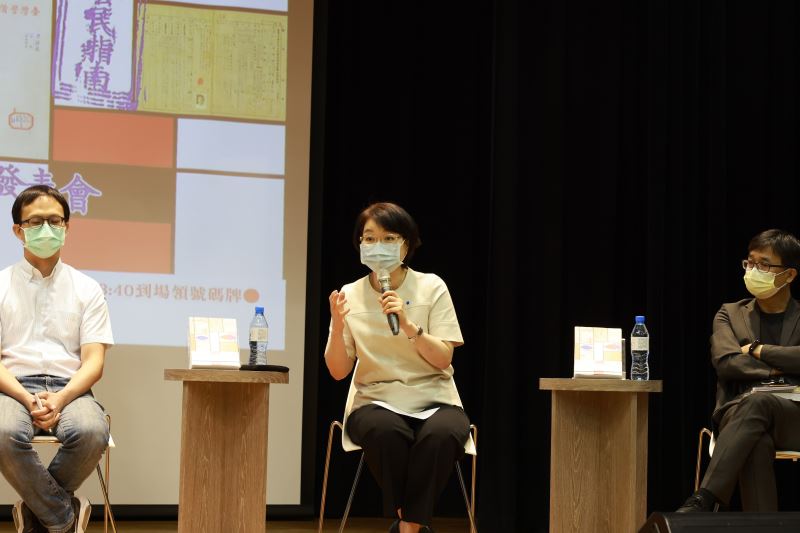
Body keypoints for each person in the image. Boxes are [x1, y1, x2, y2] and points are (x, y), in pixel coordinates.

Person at [325, 202, 471, 533]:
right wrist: (337, 326)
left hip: (435, 397)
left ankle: (406, 526)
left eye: (388, 238)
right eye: (369, 238)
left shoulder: (432, 286)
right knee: (384, 431)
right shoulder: (350, 294)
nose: (378, 246)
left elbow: (443, 358)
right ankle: (413, 523)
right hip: (375, 400)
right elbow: (338, 371)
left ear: (406, 244)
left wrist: (408, 325)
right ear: (360, 244)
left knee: (443, 434)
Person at [0, 186, 113, 533]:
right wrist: (25, 396)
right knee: (2, 432)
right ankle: (63, 518)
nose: (46, 229)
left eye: (54, 221)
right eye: (35, 222)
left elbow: (94, 362)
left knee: (92, 431)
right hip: (11, 387)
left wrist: (61, 398)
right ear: (18, 230)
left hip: (71, 388)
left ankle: (36, 514)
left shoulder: (87, 288)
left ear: (66, 227)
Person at [677, 229, 800, 513]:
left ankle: (703, 498)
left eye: (764, 265)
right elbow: (727, 363)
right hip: (739, 414)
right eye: (750, 263)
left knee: (759, 404)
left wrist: (758, 350)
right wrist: (778, 368)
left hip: (793, 416)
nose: (753, 271)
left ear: (789, 275)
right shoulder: (729, 314)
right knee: (755, 439)